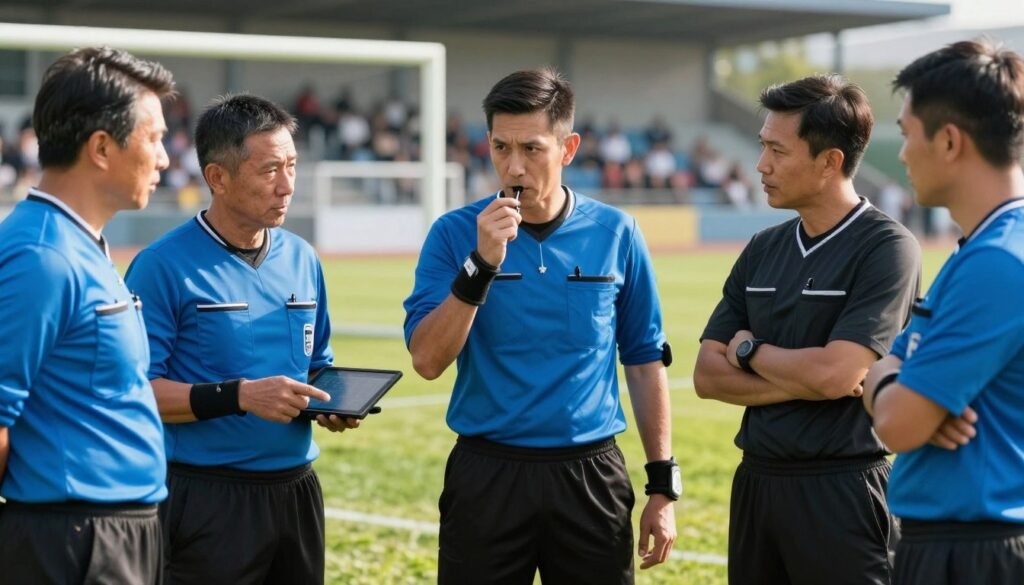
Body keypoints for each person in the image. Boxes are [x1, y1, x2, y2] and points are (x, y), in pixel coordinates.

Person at [404, 68, 677, 585]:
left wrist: (662, 486)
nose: (514, 166)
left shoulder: (616, 232)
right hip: (487, 474)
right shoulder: (452, 234)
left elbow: (643, 363)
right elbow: (427, 360)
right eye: (501, 147)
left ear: (568, 147)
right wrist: (481, 264)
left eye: (532, 149)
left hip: (590, 476)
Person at [692, 74, 922, 585]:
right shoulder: (762, 248)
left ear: (829, 161)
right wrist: (811, 377)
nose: (761, 165)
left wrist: (749, 350)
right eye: (761, 147)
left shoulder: (887, 247)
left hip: (844, 486)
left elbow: (837, 376)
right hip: (757, 480)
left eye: (777, 150)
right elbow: (708, 377)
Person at [125, 94, 358, 584]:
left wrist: (331, 401)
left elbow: (318, 364)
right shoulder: (162, 266)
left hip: (297, 492)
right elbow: (137, 393)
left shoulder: (302, 258)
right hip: (207, 498)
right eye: (270, 170)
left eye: (292, 165)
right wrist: (241, 396)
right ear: (218, 178)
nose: (287, 185)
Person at [0, 46, 173, 584]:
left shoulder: (82, 244)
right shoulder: (40, 256)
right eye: (155, 138)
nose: (165, 158)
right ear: (101, 147)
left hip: (115, 531)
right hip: (73, 541)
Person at [863, 40, 1024, 585]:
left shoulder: (998, 263)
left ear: (950, 141)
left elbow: (899, 422)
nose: (903, 153)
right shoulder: (982, 249)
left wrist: (888, 386)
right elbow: (889, 372)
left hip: (976, 551)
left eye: (908, 134)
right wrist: (892, 378)